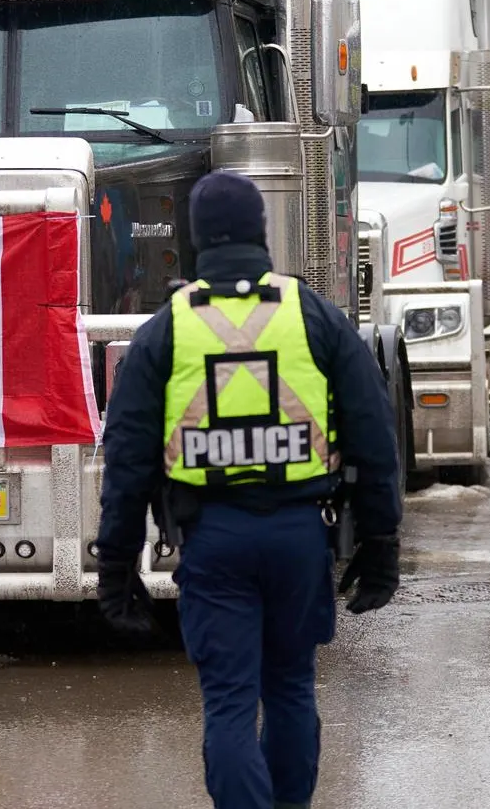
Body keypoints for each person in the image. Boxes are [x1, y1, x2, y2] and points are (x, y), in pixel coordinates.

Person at [96, 170, 404, 809]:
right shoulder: (314, 316)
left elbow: (126, 460)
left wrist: (116, 565)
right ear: (263, 232)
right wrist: (381, 542)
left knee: (231, 702)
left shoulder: (165, 330)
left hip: (213, 541)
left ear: (195, 237)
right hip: (300, 535)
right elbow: (374, 436)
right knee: (290, 688)